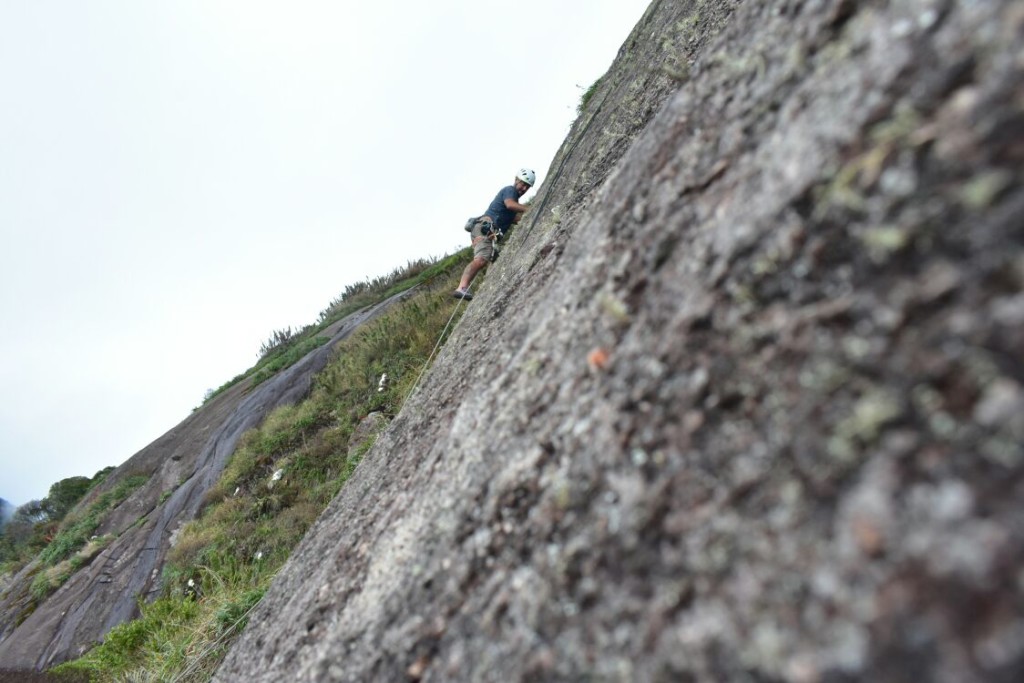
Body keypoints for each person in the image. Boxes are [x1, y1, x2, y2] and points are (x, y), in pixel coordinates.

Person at [453, 168, 536, 300]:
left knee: (494, 261)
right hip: (485, 229)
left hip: (485, 230)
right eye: (523, 183)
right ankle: (461, 287)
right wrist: (532, 208)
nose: (524, 188)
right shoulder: (510, 190)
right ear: (516, 180)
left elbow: (515, 219)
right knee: (480, 260)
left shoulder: (512, 202)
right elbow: (510, 205)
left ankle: (488, 295)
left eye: (527, 186)